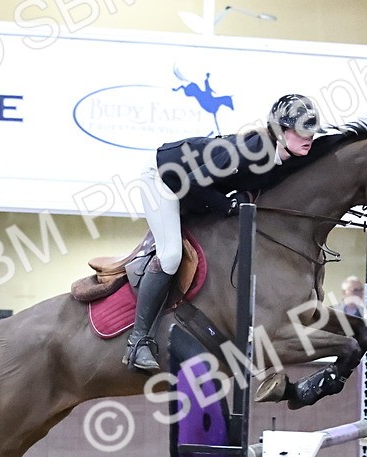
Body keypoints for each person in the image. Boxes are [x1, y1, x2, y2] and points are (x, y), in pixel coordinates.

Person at [125, 94, 323, 372]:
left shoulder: (286, 155)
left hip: (193, 184)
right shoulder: (250, 152)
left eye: (312, 130)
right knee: (170, 255)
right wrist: (228, 205)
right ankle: (138, 341)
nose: (310, 137)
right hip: (164, 178)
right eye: (302, 130)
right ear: (280, 131)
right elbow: (194, 182)